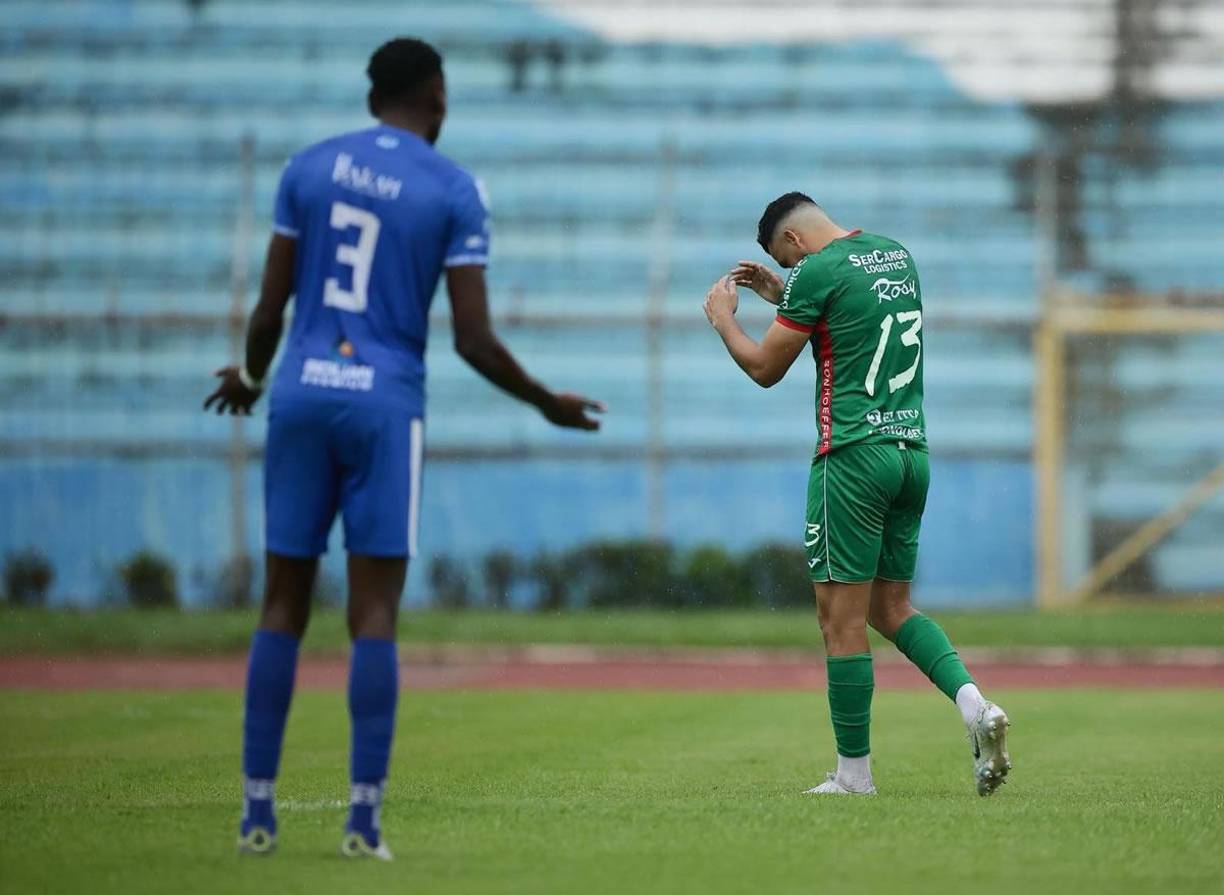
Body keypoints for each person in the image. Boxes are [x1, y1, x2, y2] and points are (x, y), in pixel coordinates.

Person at [204, 36, 604, 859]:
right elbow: (474, 340)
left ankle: (256, 812)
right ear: (437, 95)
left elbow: (267, 311)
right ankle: (361, 821)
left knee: (282, 600)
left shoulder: (308, 169)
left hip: (303, 391)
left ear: (369, 96)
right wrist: (545, 403)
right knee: (374, 612)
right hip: (384, 405)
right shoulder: (454, 188)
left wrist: (249, 374)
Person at [702, 192, 1010, 797]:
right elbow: (850, 313)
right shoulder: (896, 255)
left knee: (838, 621)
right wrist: (784, 294)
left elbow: (765, 367)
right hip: (909, 454)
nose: (791, 274)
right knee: (890, 609)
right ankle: (975, 707)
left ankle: (853, 777)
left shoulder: (815, 270)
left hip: (851, 459)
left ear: (791, 243)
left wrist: (724, 320)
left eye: (786, 265)